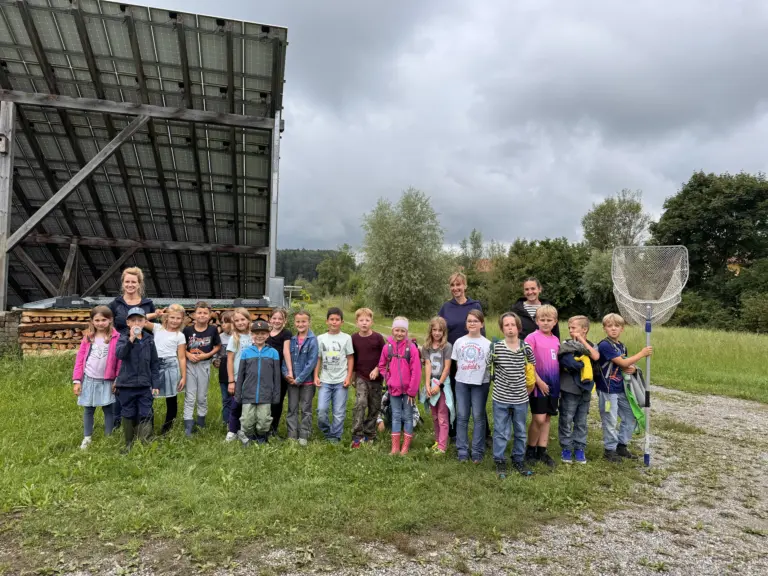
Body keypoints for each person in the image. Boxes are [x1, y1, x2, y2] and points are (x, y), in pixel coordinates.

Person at [108, 267, 161, 429]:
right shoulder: (115, 304)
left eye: (133, 282)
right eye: (127, 281)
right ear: (123, 283)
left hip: (142, 347)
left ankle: (143, 424)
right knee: (121, 384)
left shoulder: (147, 304)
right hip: (121, 345)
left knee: (142, 385)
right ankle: (119, 423)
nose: (130, 285)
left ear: (139, 284)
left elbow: (150, 326)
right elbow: (107, 323)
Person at [438, 272, 487, 442]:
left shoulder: (475, 305)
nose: (455, 288)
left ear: (465, 285)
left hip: (472, 358)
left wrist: (483, 356)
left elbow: (482, 330)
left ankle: (484, 433)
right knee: (452, 393)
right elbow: (439, 331)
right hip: (451, 357)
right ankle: (453, 431)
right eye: (452, 285)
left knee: (477, 395)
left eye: (458, 284)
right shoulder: (446, 307)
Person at [597, 313, 653, 462]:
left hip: (621, 388)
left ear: (622, 328)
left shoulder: (621, 346)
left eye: (617, 326)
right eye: (609, 326)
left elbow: (625, 365)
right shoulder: (605, 345)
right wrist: (642, 354)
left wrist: (633, 368)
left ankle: (621, 445)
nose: (613, 329)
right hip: (608, 390)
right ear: (604, 328)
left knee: (630, 415)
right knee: (610, 419)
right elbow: (622, 363)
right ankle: (609, 450)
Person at [491, 312, 536, 478]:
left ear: (518, 327)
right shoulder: (496, 348)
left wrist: (529, 388)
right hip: (500, 398)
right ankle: (499, 460)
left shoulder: (526, 348)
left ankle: (518, 459)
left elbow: (531, 369)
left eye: (513, 325)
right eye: (506, 325)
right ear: (502, 329)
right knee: (500, 431)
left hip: (520, 399)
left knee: (520, 430)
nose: (510, 328)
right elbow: (490, 368)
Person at [72, 306, 120, 450]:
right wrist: (77, 380)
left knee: (108, 409)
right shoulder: (88, 338)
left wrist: (117, 379)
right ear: (92, 321)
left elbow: (120, 361)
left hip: (107, 380)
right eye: (97, 320)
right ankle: (87, 437)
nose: (100, 323)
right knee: (88, 409)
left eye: (103, 320)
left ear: (110, 320)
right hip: (89, 379)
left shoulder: (116, 338)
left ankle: (108, 437)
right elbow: (80, 359)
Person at [114, 307, 160, 452]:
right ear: (128, 323)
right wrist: (131, 339)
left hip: (144, 385)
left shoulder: (149, 340)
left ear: (145, 322)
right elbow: (120, 354)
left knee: (146, 412)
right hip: (126, 384)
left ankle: (145, 442)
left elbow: (154, 363)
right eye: (133, 320)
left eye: (140, 320)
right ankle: (128, 443)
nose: (136, 323)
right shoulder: (123, 338)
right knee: (128, 412)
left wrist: (155, 384)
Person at [557, 315, 599, 464]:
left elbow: (595, 356)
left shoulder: (592, 345)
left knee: (581, 421)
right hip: (569, 389)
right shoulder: (566, 344)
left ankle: (579, 448)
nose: (570, 330)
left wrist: (581, 340)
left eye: (573, 328)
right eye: (569, 328)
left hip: (585, 390)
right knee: (566, 419)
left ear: (584, 329)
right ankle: (566, 448)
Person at [451, 309, 491, 463]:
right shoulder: (459, 342)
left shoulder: (488, 344)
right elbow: (457, 363)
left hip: (480, 384)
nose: (472, 323)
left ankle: (477, 451)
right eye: (469, 321)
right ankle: (462, 450)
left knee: (479, 417)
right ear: (466, 324)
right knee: (462, 416)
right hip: (462, 383)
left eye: (476, 321)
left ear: (482, 324)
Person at [378, 317, 421, 455]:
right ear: (392, 330)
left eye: (403, 331)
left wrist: (412, 391)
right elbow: (381, 365)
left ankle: (405, 448)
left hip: (409, 391)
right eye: (397, 330)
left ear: (406, 332)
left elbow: (416, 370)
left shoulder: (411, 348)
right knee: (396, 416)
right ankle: (395, 447)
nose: (399, 333)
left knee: (408, 416)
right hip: (393, 389)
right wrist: (388, 379)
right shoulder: (387, 348)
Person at [524, 305, 561, 467]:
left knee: (547, 418)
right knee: (538, 418)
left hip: (554, 384)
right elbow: (527, 363)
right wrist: (538, 382)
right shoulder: (531, 338)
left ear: (555, 322)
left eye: (549, 320)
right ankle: (530, 449)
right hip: (538, 384)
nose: (545, 323)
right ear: (537, 321)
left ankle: (542, 451)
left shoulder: (556, 340)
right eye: (542, 320)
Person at [234, 320, 281, 445]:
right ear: (251, 335)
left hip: (266, 394)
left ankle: (261, 436)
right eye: (256, 333)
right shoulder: (246, 352)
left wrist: (276, 394)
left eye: (263, 333)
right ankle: (249, 437)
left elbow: (277, 377)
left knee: (264, 420)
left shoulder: (273, 353)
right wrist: (238, 393)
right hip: (248, 393)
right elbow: (240, 375)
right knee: (246, 421)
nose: (259, 336)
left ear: (268, 335)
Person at [144, 304, 187, 435]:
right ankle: (147, 426)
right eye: (172, 317)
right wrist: (155, 314)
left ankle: (166, 429)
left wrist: (183, 376)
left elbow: (182, 357)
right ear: (166, 317)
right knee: (148, 396)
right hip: (155, 366)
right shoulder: (157, 328)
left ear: (182, 320)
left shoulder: (180, 336)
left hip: (171, 366)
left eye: (178, 318)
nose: (175, 321)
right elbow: (141, 320)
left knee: (171, 398)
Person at [314, 307, 354, 444]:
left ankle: (335, 435)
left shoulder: (346, 338)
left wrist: (349, 377)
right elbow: (318, 358)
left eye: (337, 319)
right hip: (325, 380)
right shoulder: (321, 338)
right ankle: (326, 431)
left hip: (341, 381)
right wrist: (316, 375)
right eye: (331, 319)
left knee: (339, 411)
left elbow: (350, 358)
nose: (334, 322)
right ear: (327, 321)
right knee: (321, 410)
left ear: (342, 322)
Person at [182, 301, 221, 436]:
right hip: (190, 365)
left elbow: (217, 346)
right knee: (190, 396)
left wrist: (207, 355)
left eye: (205, 313)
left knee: (201, 396)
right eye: (199, 313)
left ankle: (201, 423)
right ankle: (188, 425)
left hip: (204, 365)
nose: (202, 315)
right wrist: (188, 354)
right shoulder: (187, 330)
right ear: (194, 315)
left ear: (209, 315)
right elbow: (181, 347)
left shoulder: (212, 330)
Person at [350, 308, 386, 448]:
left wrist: (377, 369)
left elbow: (384, 357)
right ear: (357, 322)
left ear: (372, 322)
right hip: (361, 376)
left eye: (367, 320)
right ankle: (357, 434)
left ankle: (369, 433)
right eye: (361, 320)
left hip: (376, 378)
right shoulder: (354, 338)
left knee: (374, 406)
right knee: (360, 402)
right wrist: (353, 376)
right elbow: (353, 358)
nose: (364, 323)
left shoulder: (378, 338)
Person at [282, 309, 318, 446]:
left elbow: (312, 362)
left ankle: (304, 435)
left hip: (307, 382)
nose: (300, 324)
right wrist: (287, 375)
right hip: (292, 381)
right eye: (298, 321)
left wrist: (299, 379)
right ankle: (292, 435)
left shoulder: (313, 340)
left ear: (309, 322)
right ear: (294, 322)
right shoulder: (291, 340)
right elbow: (285, 359)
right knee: (292, 408)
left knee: (306, 409)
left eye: (303, 321)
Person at [422, 316, 454, 455]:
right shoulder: (426, 347)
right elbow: (428, 365)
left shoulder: (447, 346)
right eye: (434, 330)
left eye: (440, 330)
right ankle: (437, 441)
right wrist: (427, 385)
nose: (437, 333)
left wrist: (439, 385)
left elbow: (447, 368)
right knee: (434, 415)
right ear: (430, 330)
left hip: (442, 384)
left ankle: (442, 446)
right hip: (431, 383)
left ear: (444, 332)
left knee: (442, 415)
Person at [224, 308, 253, 442]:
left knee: (248, 406)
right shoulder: (234, 338)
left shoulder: (254, 336)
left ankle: (244, 430)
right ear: (234, 323)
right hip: (238, 378)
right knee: (236, 405)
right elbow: (230, 360)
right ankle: (232, 431)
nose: (240, 322)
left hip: (252, 378)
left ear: (248, 320)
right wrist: (231, 381)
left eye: (243, 319)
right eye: (237, 320)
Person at [267, 308, 292, 438]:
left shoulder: (286, 333)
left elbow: (286, 351)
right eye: (274, 318)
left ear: (284, 320)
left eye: (280, 318)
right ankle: (263, 427)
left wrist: (290, 370)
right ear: (270, 319)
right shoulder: (266, 333)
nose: (277, 321)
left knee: (277, 401)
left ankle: (273, 428)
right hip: (266, 372)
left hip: (279, 373)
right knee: (266, 400)